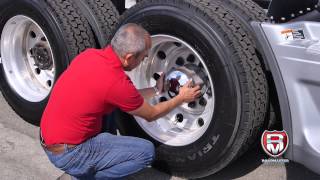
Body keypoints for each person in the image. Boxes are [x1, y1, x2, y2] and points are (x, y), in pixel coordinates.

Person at [40, 23, 201, 180]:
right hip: (69, 153)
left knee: (110, 108)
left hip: (50, 138)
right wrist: (181, 98)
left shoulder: (90, 55)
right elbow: (151, 114)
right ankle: (80, 176)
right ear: (129, 57)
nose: (144, 61)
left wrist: (157, 90)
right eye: (144, 57)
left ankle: (89, 164)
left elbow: (126, 97)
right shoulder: (116, 82)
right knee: (146, 153)